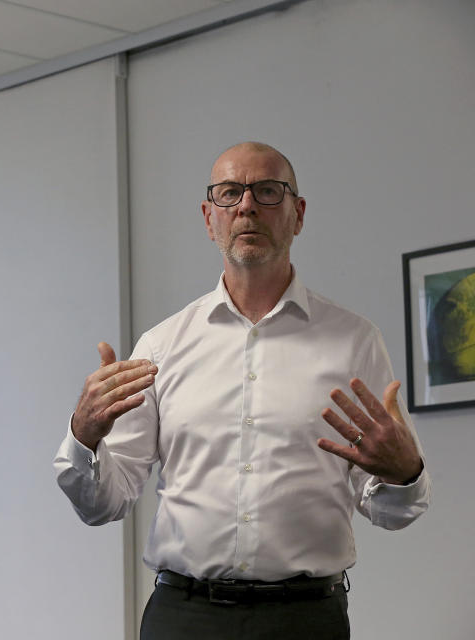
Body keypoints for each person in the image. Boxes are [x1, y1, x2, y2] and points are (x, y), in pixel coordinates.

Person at [54, 142, 431, 639]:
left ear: (298, 215)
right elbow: (104, 505)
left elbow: (387, 511)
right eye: (230, 193)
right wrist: (83, 438)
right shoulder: (161, 345)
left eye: (267, 191)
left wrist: (406, 475)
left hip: (306, 620)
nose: (247, 205)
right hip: (183, 618)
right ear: (209, 218)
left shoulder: (354, 341)